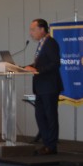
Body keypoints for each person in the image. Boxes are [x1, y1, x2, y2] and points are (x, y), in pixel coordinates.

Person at [25, 18, 62, 155]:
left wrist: (37, 70)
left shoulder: (50, 43)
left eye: (33, 30)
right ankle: (46, 144)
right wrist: (25, 67)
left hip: (49, 86)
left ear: (42, 29)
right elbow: (41, 63)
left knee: (50, 117)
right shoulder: (42, 43)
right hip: (41, 87)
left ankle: (51, 146)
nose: (31, 33)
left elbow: (55, 63)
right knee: (40, 116)